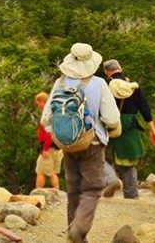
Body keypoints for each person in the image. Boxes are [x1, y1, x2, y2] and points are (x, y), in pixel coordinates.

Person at [41, 43, 122, 243]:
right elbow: (112, 118)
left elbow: (45, 119)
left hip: (67, 145)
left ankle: (76, 234)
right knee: (92, 189)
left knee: (73, 189)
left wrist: (59, 136)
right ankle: (78, 229)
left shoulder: (60, 83)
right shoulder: (99, 84)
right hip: (92, 144)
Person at [102, 59, 155, 199]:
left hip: (111, 124)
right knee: (128, 161)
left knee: (98, 155)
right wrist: (152, 129)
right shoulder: (132, 86)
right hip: (130, 125)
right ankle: (131, 195)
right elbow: (144, 107)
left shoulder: (106, 86)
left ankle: (110, 180)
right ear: (120, 68)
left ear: (108, 73)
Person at [35, 92, 63, 189]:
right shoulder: (56, 113)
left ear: (42, 102)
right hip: (58, 147)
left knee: (41, 171)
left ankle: (38, 191)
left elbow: (49, 133)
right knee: (53, 172)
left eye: (38, 102)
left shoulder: (47, 116)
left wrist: (45, 148)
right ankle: (57, 191)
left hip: (49, 147)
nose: (37, 105)